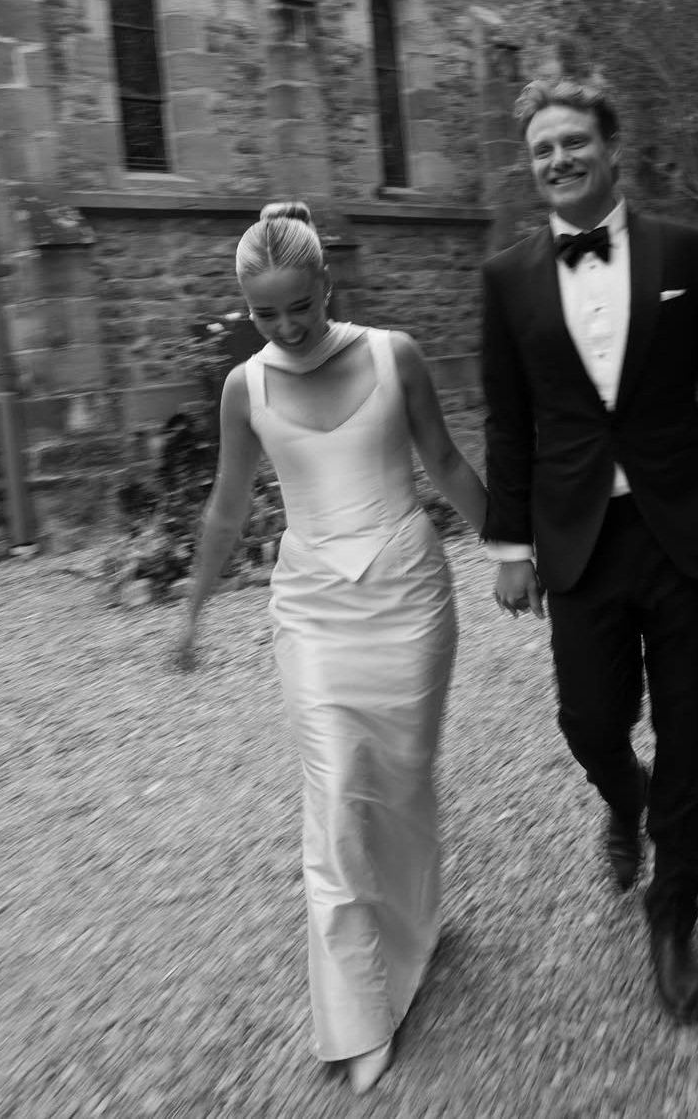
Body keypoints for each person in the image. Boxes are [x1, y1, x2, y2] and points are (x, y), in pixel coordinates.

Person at [480, 79, 698, 1026]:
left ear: (612, 150)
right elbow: (508, 419)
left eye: (573, 142)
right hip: (576, 539)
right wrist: (508, 541)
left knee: (688, 725)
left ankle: (673, 912)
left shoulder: (684, 252)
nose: (559, 160)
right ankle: (628, 798)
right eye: (542, 150)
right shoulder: (506, 277)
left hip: (683, 528)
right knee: (587, 718)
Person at [177, 202, 487, 1095]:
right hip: (310, 607)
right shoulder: (247, 388)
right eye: (264, 315)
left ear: (327, 288)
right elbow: (229, 505)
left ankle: (419, 928)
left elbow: (448, 464)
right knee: (333, 797)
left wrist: (516, 548)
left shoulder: (395, 355)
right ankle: (356, 1010)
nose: (285, 328)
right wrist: (194, 608)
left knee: (399, 780)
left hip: (407, 596)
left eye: (298, 308)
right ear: (248, 309)